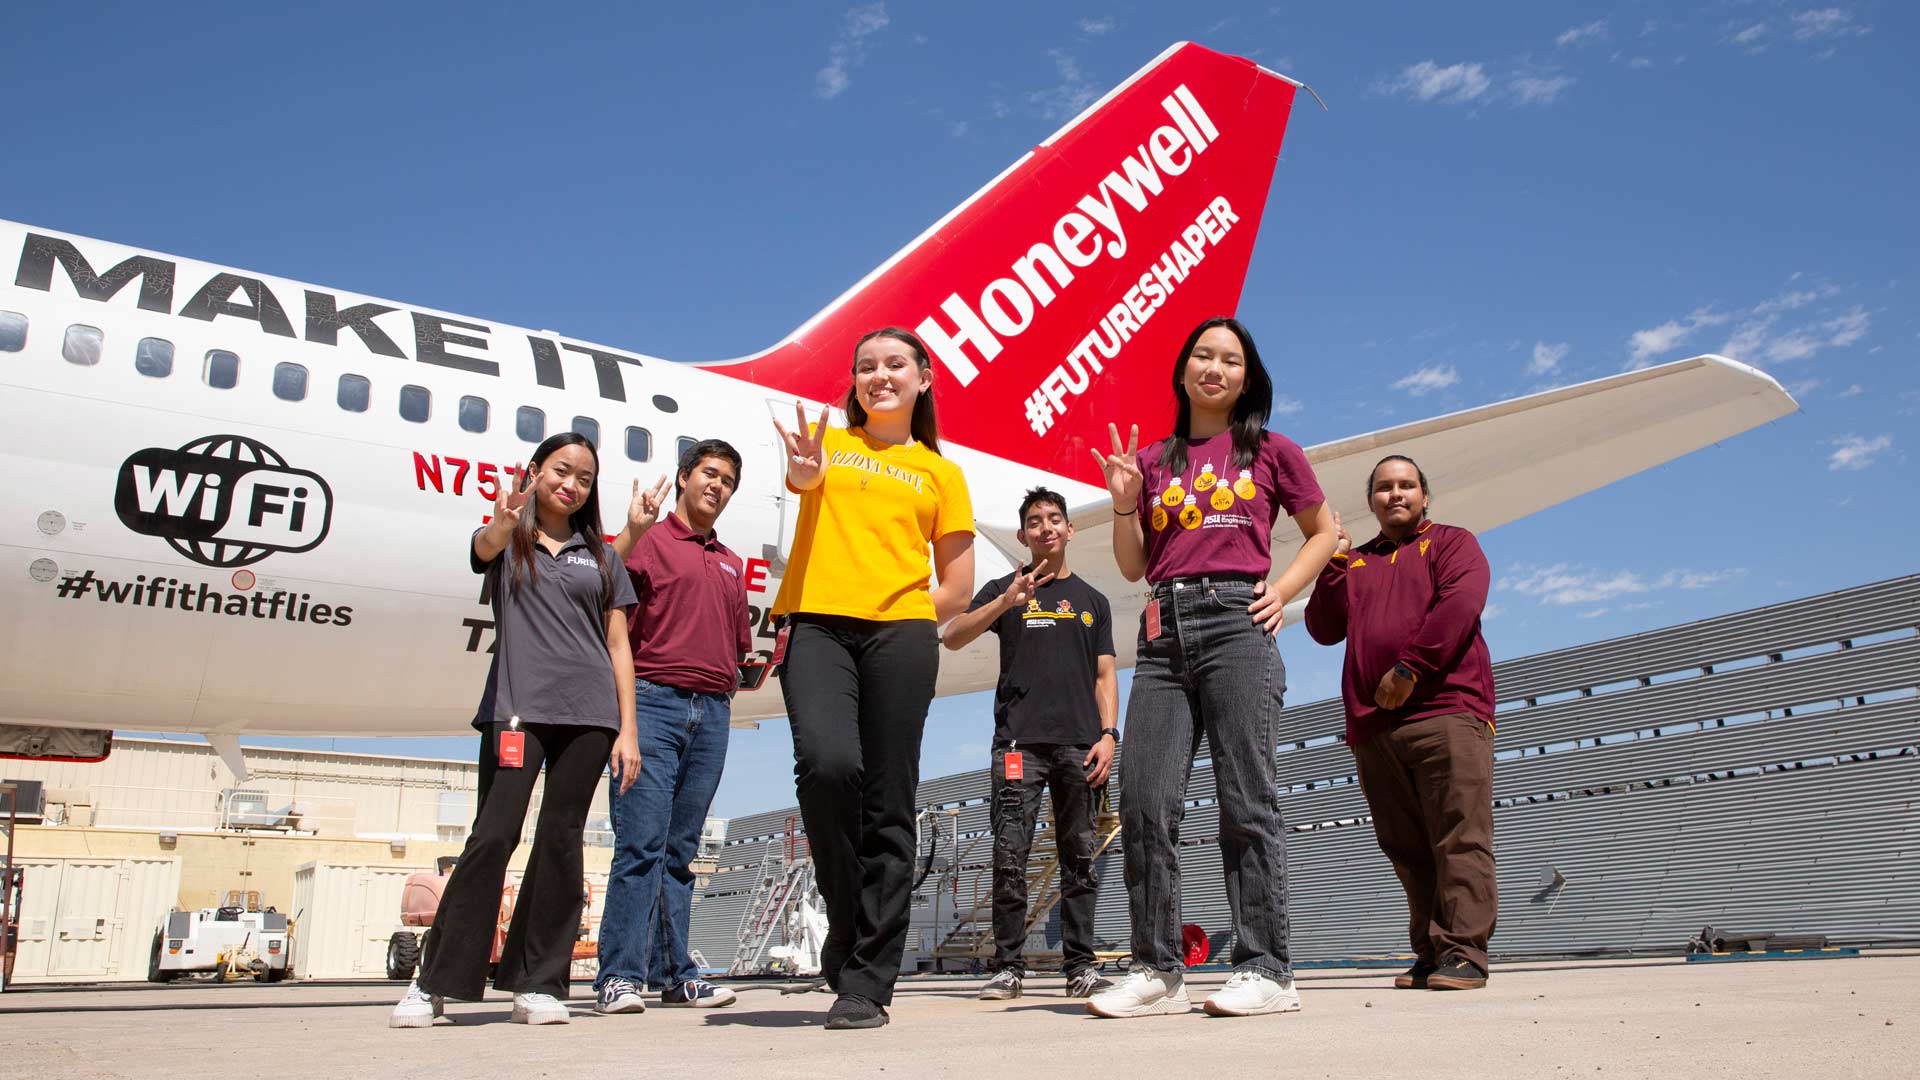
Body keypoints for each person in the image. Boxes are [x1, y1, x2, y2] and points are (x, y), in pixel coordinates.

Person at [1086, 316, 1337, 1019]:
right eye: (1204, 355)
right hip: (1162, 630)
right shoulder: (1154, 458)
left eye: (1231, 359)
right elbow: (1135, 564)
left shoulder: (1273, 451)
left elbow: (1325, 531)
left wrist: (1283, 592)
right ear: (1183, 370)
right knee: (1143, 800)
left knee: (1244, 795)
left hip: (1236, 623)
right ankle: (1159, 971)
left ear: (1247, 378)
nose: (1216, 368)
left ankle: (1266, 968)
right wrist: (1124, 504)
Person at [392, 432, 640, 1028]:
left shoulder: (602, 558)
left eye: (584, 478)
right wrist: (506, 520)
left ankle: (539, 983)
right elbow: (484, 545)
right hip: (517, 711)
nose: (571, 484)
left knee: (561, 841)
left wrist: (627, 730)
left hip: (589, 715)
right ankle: (434, 984)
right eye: (561, 471)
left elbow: (617, 645)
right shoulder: (509, 540)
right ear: (535, 471)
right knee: (493, 836)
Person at [770, 327, 975, 1030]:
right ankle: (849, 917)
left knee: (889, 799)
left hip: (901, 635)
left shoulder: (941, 473)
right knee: (828, 767)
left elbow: (957, 583)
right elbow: (802, 481)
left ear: (923, 380)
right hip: (818, 624)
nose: (878, 376)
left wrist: (909, 616)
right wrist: (802, 468)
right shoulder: (828, 443)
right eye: (865, 367)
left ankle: (866, 980)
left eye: (894, 365)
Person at [1304, 454, 1497, 991]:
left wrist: (1411, 668)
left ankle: (1466, 953)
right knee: (1406, 847)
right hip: (1374, 728)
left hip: (1447, 712)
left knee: (1459, 836)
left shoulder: (1453, 543)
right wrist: (1335, 563)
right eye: (1384, 488)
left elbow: (1460, 604)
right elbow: (1322, 628)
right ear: (1371, 501)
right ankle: (1433, 952)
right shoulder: (1358, 561)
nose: (1396, 494)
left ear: (1424, 495)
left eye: (1406, 485)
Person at [942, 487, 1118, 1002]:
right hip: (1017, 747)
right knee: (1009, 855)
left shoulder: (1093, 601)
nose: (1046, 528)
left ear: (1069, 530)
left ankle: (1079, 967)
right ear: (1023, 535)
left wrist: (1109, 735)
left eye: (1055, 519)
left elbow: (1105, 674)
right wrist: (1005, 601)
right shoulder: (1006, 588)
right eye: (1035, 521)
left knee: (1079, 856)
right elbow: (952, 635)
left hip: (1080, 748)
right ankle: (1008, 966)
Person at [594, 439, 751, 1014]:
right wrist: (624, 725)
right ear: (684, 478)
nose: (718, 486)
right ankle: (619, 976)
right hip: (653, 705)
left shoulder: (731, 562)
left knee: (681, 851)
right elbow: (601, 603)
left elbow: (738, 648)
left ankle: (675, 973)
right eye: (709, 474)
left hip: (712, 712)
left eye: (728, 481)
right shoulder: (649, 544)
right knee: (639, 844)